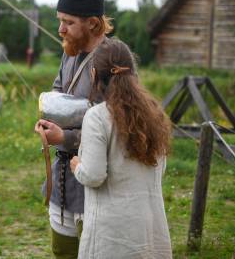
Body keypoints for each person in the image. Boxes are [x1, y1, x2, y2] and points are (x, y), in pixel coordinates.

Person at [70, 39, 172, 258]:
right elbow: (158, 169)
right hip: (149, 226)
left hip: (112, 235)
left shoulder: (97, 117)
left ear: (95, 74)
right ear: (133, 72)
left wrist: (77, 165)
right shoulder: (154, 114)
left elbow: (94, 175)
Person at [34, 0, 113, 259]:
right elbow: (59, 91)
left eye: (68, 22)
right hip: (64, 178)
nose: (61, 29)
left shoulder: (114, 60)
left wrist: (64, 138)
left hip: (98, 178)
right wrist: (48, 121)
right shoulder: (70, 52)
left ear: (92, 23)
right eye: (59, 21)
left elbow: (116, 127)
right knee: (63, 251)